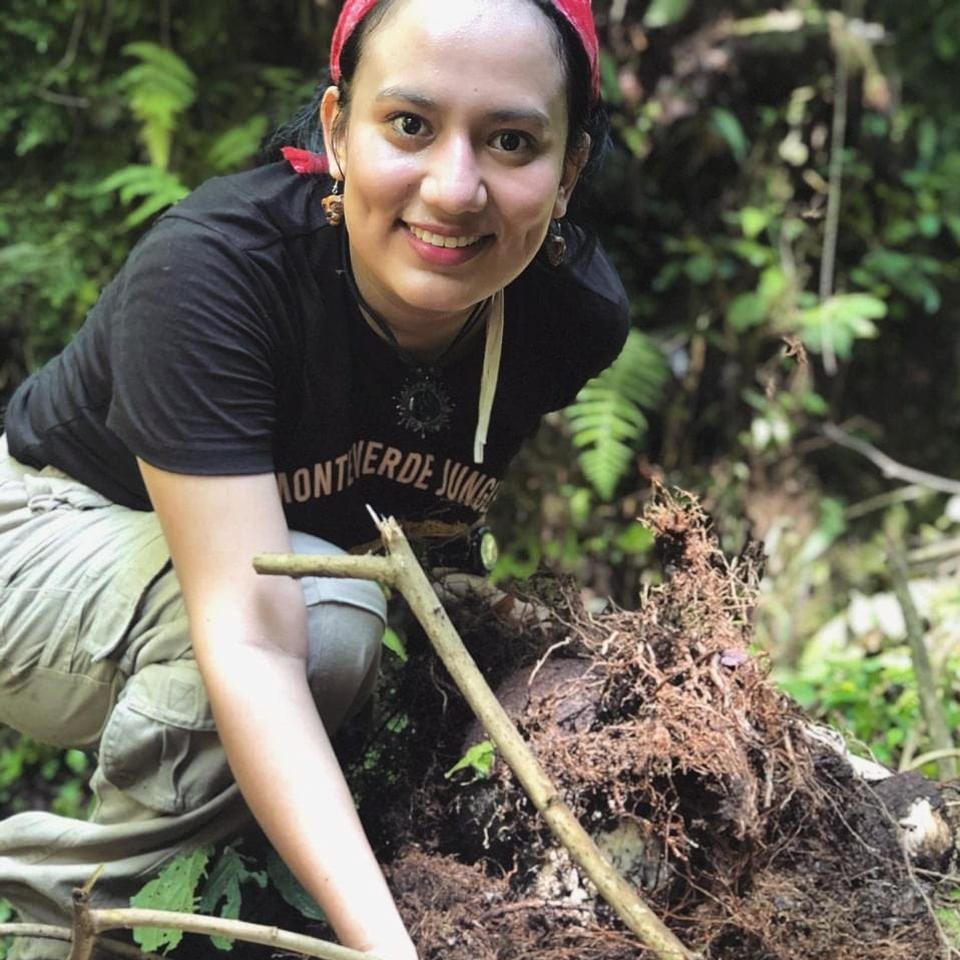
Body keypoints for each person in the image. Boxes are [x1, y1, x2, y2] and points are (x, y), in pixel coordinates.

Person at [0, 0, 628, 957]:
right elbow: (254, 637)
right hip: (42, 532)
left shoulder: (568, 317)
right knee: (326, 616)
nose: (456, 189)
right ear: (337, 129)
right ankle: (62, 918)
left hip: (257, 559)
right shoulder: (216, 273)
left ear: (568, 170)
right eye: (409, 126)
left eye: (510, 141)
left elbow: (417, 527)